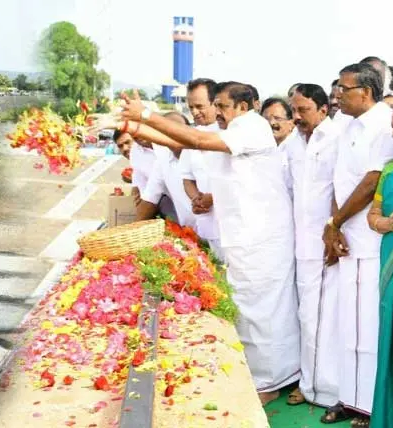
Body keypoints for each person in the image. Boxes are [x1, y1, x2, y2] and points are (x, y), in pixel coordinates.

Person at [96, 83, 299, 406]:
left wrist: (145, 114)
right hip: (242, 235)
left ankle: (272, 381)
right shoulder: (230, 129)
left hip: (263, 237)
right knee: (246, 308)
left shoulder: (253, 128)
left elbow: (196, 139)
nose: (217, 112)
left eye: (223, 105)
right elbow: (179, 141)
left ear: (244, 107)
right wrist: (127, 125)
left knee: (265, 311)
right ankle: (254, 376)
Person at [321, 62, 393, 427]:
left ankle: (371, 404)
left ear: (365, 93)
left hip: (372, 241)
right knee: (348, 323)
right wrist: (334, 227)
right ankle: (349, 399)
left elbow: (371, 183)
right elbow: (340, 179)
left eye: (344, 89)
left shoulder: (384, 124)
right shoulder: (348, 125)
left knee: (370, 325)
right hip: (347, 238)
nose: (337, 95)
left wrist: (336, 222)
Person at [281, 83, 341, 409]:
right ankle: (309, 383)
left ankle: (326, 389)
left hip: (328, 244)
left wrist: (334, 230)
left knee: (325, 317)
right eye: (294, 110)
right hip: (299, 245)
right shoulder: (292, 142)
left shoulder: (335, 139)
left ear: (322, 109)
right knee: (306, 316)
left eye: (303, 110)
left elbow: (341, 189)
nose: (297, 116)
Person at [366, 103, 393, 428]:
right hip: (392, 262)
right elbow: (372, 217)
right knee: (392, 336)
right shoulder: (390, 170)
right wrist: (387, 224)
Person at [180, 78, 224, 259]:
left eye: (200, 106)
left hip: (231, 225)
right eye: (191, 108)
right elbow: (187, 178)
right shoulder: (191, 135)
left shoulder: (228, 132)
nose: (195, 113)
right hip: (206, 224)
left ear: (215, 104)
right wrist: (196, 199)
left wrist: (213, 198)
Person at [136, 112, 197, 229]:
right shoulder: (162, 161)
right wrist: (130, 233)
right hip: (193, 236)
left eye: (178, 130)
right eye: (167, 131)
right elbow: (149, 200)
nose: (174, 134)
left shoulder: (202, 154)